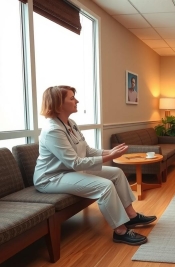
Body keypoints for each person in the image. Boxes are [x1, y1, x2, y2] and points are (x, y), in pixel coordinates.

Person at [34, 85, 156, 245]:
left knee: (117, 173)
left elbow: (87, 150)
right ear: (58, 104)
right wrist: (110, 156)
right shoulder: (52, 130)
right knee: (105, 186)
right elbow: (76, 163)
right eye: (71, 98)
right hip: (52, 178)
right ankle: (120, 231)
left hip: (70, 171)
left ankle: (131, 216)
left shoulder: (70, 123)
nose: (76, 101)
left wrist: (108, 151)